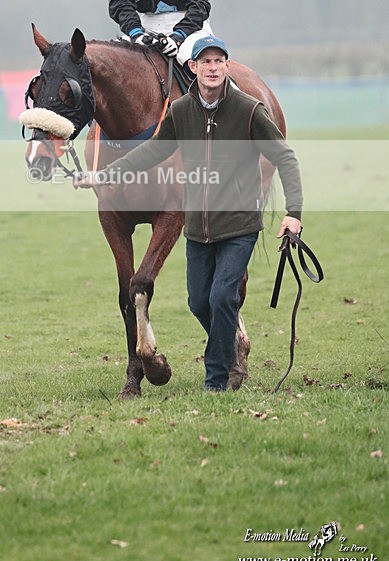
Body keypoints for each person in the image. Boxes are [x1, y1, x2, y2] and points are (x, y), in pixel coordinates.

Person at [74, 35, 303, 393]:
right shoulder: (181, 113)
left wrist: (294, 212)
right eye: (206, 63)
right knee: (198, 302)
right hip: (198, 228)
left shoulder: (249, 110)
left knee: (221, 296)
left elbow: (284, 157)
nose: (213, 68)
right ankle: (232, 347)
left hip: (238, 223)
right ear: (193, 68)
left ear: (226, 66)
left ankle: (217, 381)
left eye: (219, 62)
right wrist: (102, 176)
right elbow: (149, 154)